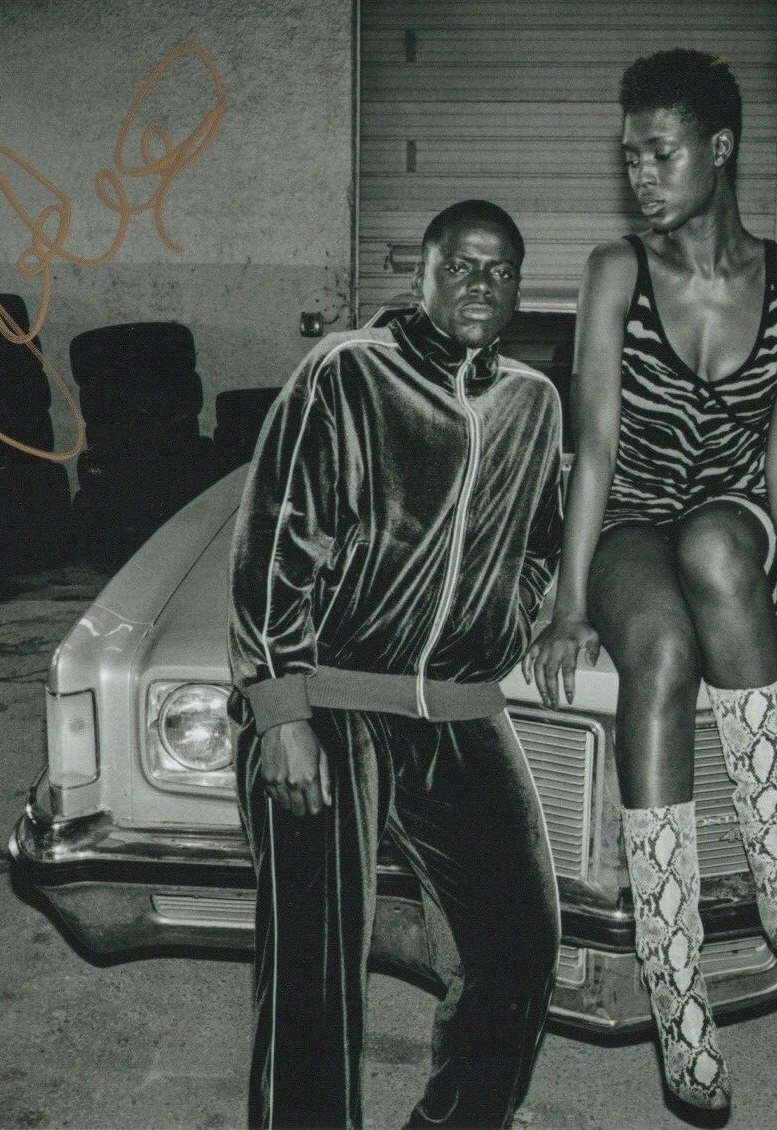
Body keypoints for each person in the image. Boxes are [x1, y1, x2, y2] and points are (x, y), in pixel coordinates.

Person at [523, 49, 777, 1113]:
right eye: (630, 157)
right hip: (629, 518)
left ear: (721, 148)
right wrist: (570, 604)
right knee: (657, 649)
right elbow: (595, 443)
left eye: (660, 153)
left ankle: (776, 851)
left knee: (712, 547)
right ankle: (678, 991)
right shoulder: (617, 270)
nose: (641, 175)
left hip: (731, 520)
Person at [228, 200, 563, 1129]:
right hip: (329, 698)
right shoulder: (346, 373)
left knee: (522, 942)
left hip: (458, 705)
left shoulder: (535, 402)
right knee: (314, 972)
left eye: (501, 270)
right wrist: (281, 710)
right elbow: (273, 539)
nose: (481, 284)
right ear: (420, 276)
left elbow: (541, 541)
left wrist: (509, 617)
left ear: (519, 289)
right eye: (461, 265)